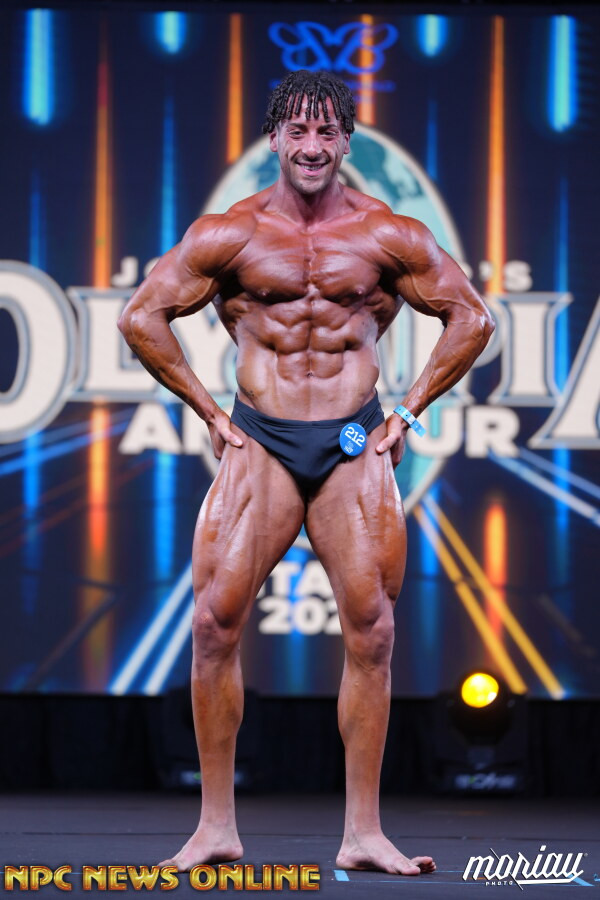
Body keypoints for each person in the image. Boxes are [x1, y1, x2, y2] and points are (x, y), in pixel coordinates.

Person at [118, 70, 494, 876]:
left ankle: (363, 832)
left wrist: (409, 414)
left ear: (347, 141)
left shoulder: (387, 233)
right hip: (263, 439)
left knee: (374, 631)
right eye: (299, 131)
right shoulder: (231, 234)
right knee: (213, 624)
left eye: (328, 132)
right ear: (275, 139)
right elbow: (141, 316)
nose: (313, 146)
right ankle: (215, 826)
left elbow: (473, 317)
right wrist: (208, 412)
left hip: (353, 444)